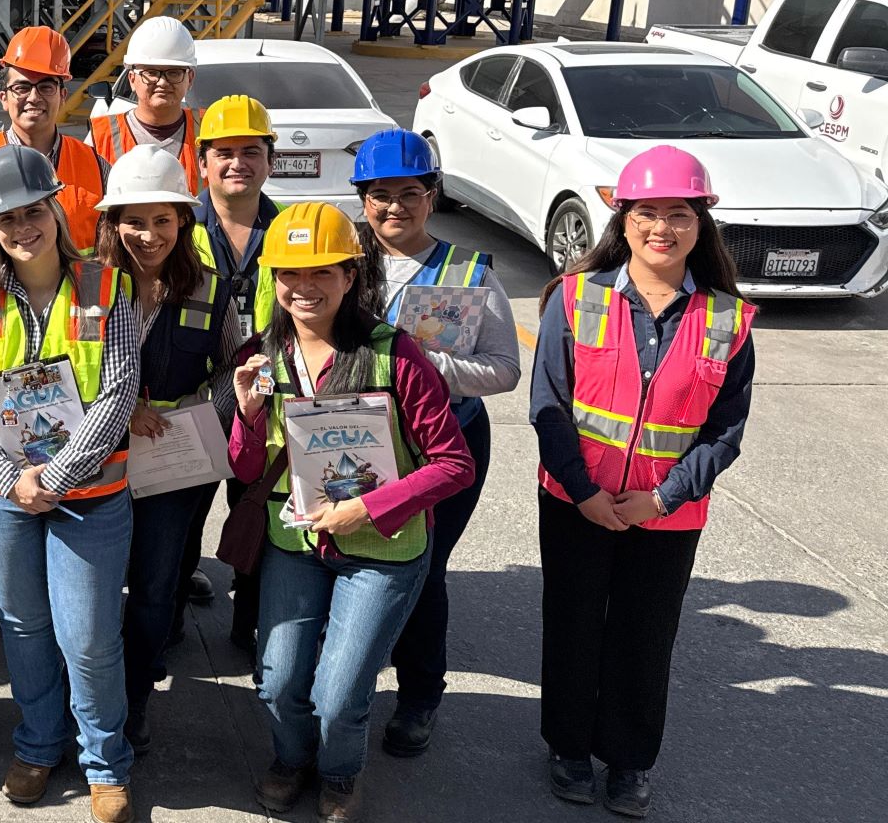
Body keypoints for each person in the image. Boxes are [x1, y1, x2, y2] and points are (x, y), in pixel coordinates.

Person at [226, 202, 474, 823]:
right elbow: (247, 469)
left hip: (384, 551)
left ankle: (339, 773)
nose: (304, 288)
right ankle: (292, 757)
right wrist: (248, 415)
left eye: (322, 273)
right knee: (279, 680)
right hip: (298, 542)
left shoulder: (398, 357)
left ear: (350, 275)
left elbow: (453, 463)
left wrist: (366, 507)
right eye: (290, 274)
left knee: (339, 693)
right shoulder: (264, 355)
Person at [530, 146, 754, 819]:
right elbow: (549, 406)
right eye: (647, 213)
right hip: (576, 502)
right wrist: (587, 494)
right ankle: (568, 747)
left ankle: (628, 760)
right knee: (572, 624)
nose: (663, 227)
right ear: (622, 221)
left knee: (644, 634)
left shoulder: (728, 320)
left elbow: (726, 433)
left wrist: (660, 498)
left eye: (679, 214)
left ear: (700, 224)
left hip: (667, 514)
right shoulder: (573, 297)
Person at [0, 145, 140, 823]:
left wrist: (55, 475)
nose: (21, 229)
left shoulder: (106, 286)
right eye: (5, 219)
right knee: (24, 628)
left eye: (32, 213)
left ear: (55, 209)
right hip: (1, 495)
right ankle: (37, 742)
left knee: (86, 636)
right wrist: (9, 478)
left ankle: (105, 763)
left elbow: (117, 393)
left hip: (89, 496)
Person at [348, 129, 521, 758]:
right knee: (349, 562)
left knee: (423, 566)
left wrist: (431, 368)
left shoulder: (469, 273)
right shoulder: (344, 259)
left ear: (433, 194)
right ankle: (348, 685)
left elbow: (504, 369)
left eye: (411, 193)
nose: (396, 207)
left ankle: (420, 696)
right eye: (381, 195)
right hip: (359, 440)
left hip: (444, 441)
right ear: (362, 199)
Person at [92, 145, 239, 757]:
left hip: (175, 469)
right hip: (94, 463)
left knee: (155, 588)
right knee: (94, 591)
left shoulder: (213, 289)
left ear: (184, 221)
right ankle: (92, 696)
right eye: (133, 219)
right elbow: (56, 369)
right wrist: (121, 409)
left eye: (162, 220)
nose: (148, 234)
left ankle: (136, 701)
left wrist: (201, 413)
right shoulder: (85, 284)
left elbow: (236, 365)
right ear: (112, 222)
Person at [189, 94, 285, 651]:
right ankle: (172, 601)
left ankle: (252, 625)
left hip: (266, 401)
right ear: (203, 162)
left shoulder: (291, 230)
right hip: (196, 399)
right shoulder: (181, 227)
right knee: (183, 514)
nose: (237, 163)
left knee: (257, 514)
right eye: (223, 152)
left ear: (269, 159)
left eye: (251, 151)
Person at [0, 25, 110, 241]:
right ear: (3, 98)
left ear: (62, 96)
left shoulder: (97, 168)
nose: (34, 97)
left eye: (46, 87)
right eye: (22, 88)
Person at [89, 16, 202, 191]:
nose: (162, 82)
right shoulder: (100, 136)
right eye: (151, 72)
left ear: (190, 79)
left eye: (174, 73)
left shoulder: (210, 129)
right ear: (132, 79)